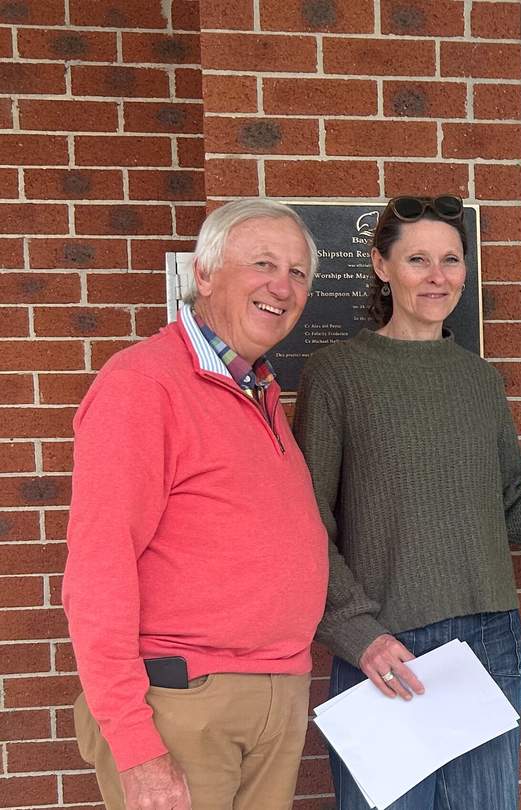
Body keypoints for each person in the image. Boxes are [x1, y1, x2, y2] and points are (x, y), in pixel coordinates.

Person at [293, 194, 521, 810]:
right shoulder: (337, 374)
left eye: (451, 260)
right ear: (383, 267)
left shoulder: (479, 379)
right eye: (417, 259)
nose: (438, 276)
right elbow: (307, 523)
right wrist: (354, 632)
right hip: (384, 641)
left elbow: (513, 508)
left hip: (484, 641)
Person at [64, 199, 326, 810]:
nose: (281, 287)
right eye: (263, 263)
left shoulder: (257, 388)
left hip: (275, 695)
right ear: (203, 274)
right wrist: (134, 745)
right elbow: (98, 570)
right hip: (183, 703)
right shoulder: (144, 384)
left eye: (297, 273)